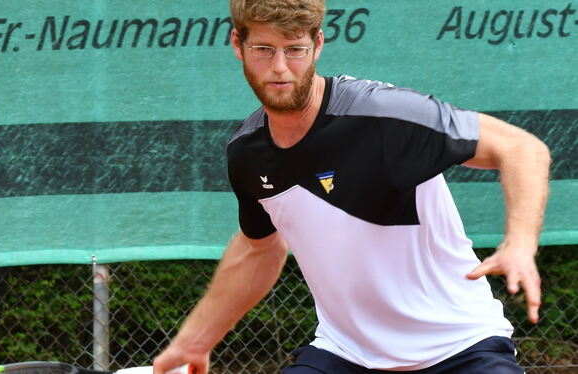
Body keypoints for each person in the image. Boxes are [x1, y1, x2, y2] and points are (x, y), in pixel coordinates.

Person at [153, 0, 551, 373]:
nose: (279, 67)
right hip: (345, 355)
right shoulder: (248, 152)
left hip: (461, 347)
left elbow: (519, 147)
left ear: (318, 44)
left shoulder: (385, 116)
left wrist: (519, 243)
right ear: (237, 45)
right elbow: (259, 248)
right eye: (263, 49)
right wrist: (196, 340)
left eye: (295, 49)